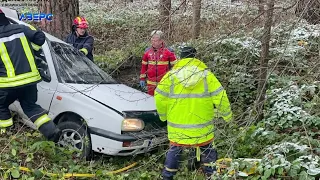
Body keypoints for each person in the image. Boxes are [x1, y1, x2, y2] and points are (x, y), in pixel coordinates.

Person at [154, 46, 233, 180]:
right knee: (208, 150)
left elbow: (159, 97)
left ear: (180, 58)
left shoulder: (171, 76)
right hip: (202, 127)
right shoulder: (206, 75)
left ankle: (167, 176)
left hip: (177, 128)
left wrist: (163, 116)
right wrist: (227, 116)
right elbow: (221, 96)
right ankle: (211, 176)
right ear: (195, 57)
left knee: (174, 151)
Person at [0, 9, 61, 143]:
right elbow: (40, 37)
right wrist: (33, 49)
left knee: (1, 106)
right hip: (30, 81)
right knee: (29, 106)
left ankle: (6, 137)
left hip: (7, 84)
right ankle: (52, 131)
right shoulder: (21, 29)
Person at [139, 30, 177, 96]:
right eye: (152, 40)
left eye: (155, 41)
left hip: (164, 83)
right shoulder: (147, 51)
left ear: (161, 41)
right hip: (150, 84)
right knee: (151, 101)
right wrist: (142, 79)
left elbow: (175, 67)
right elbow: (144, 66)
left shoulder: (169, 51)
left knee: (163, 101)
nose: (153, 42)